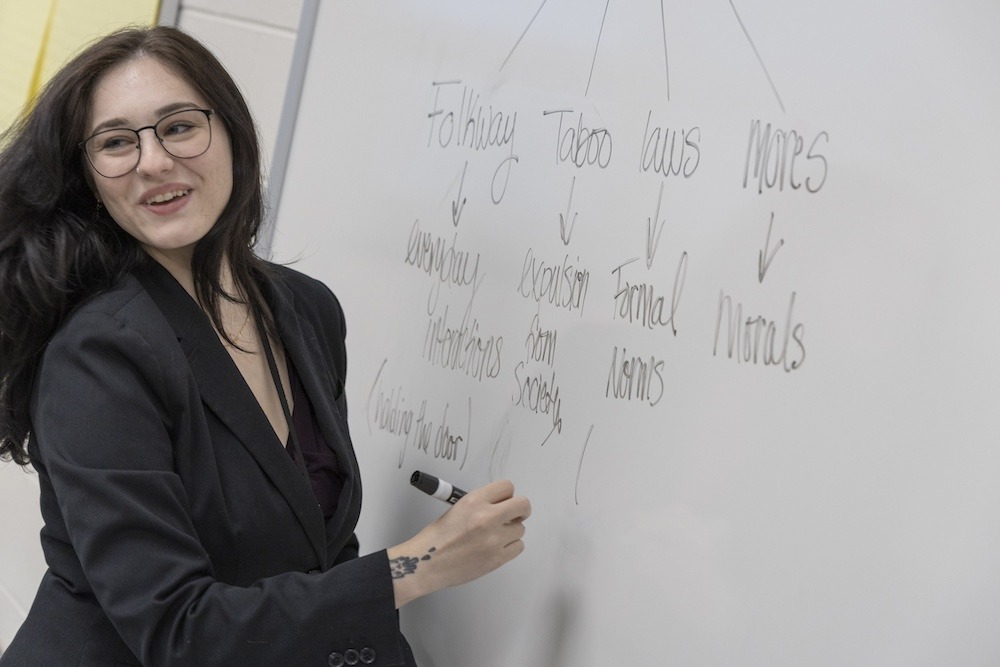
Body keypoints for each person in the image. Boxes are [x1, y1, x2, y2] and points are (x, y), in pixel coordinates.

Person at [0, 25, 530, 666]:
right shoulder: (99, 355)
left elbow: (320, 556)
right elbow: (179, 632)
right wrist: (419, 565)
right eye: (116, 143)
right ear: (88, 177)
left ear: (231, 133)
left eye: (178, 126)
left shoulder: (305, 309)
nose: (154, 161)